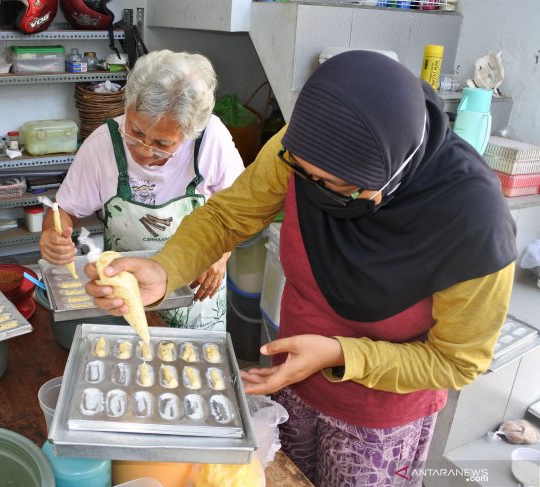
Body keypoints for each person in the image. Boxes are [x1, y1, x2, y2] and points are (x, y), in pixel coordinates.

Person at [82, 51, 517, 485]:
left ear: (386, 179)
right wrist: (166, 268)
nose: (309, 189)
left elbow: (457, 362)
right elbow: (227, 216)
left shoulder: (475, 222)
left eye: (333, 187)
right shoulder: (308, 146)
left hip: (379, 418)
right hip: (291, 378)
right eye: (302, 174)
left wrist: (340, 353)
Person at [40, 49, 244, 330]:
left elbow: (237, 209)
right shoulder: (103, 144)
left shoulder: (211, 139)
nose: (144, 151)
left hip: (196, 291)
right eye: (135, 132)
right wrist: (53, 233)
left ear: (189, 133)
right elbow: (62, 210)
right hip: (127, 292)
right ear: (128, 104)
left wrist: (221, 254)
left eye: (162, 144)